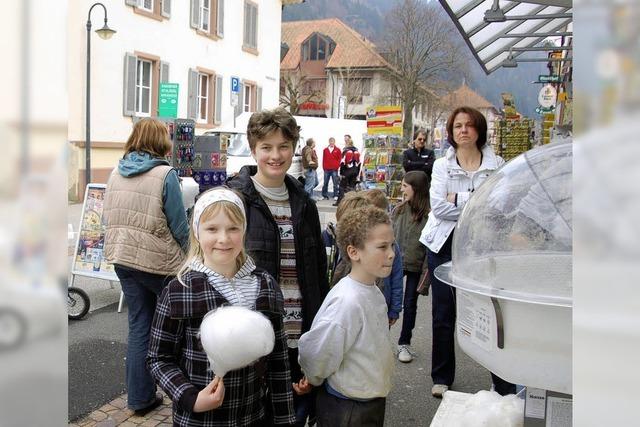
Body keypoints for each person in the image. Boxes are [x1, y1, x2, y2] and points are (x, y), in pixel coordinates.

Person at [147, 188, 296, 426]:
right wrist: (190, 397)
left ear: (244, 231)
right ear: (197, 233)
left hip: (253, 417)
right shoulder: (179, 290)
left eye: (233, 228)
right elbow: (158, 358)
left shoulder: (265, 284)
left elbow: (278, 362)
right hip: (199, 420)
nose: (224, 239)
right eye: (212, 229)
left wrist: (285, 418)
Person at [226, 107, 329, 427]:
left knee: (295, 416)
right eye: (266, 147)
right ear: (254, 149)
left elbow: (317, 273)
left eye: (283, 146)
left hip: (299, 334)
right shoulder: (235, 201)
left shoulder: (306, 204)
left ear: (294, 148)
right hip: (253, 336)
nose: (275, 155)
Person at [419, 106, 512, 398]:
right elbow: (439, 207)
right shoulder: (441, 165)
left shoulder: (497, 165)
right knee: (443, 313)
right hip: (444, 244)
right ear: (451, 131)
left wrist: (457, 197)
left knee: (488, 312)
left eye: (469, 125)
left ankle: (502, 380)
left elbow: (498, 208)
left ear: (479, 130)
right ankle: (442, 376)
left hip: (481, 246)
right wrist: (475, 202)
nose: (463, 130)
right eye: (457, 125)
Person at [103, 118, 188, 414]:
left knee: (140, 326)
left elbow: (107, 216)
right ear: (161, 142)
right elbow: (179, 225)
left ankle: (140, 398)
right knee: (182, 327)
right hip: (159, 263)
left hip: (123, 259)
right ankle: (188, 393)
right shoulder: (165, 174)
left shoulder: (115, 172)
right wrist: (192, 256)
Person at [297, 205, 396, 427]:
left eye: (392, 245)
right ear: (354, 252)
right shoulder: (348, 301)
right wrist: (313, 378)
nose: (391, 253)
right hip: (347, 408)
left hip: (369, 399)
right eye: (382, 247)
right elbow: (318, 351)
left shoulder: (372, 290)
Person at [322, 191, 404, 327]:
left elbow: (397, 277)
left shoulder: (375, 293)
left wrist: (394, 309)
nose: (392, 254)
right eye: (382, 247)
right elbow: (324, 345)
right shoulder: (343, 300)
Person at [392, 171, 430, 363]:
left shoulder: (430, 216)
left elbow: (430, 249)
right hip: (394, 265)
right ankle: (378, 341)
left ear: (416, 188)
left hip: (416, 267)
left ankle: (404, 343)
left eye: (405, 186)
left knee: (410, 305)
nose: (401, 189)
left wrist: (425, 279)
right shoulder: (398, 210)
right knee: (387, 301)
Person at [333, 135, 360, 206]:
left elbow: (342, 163)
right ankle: (353, 203)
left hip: (347, 171)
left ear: (347, 144)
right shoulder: (356, 151)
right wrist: (357, 173)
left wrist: (341, 173)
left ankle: (339, 202)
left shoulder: (346, 151)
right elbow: (359, 163)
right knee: (352, 187)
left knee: (342, 186)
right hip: (355, 171)